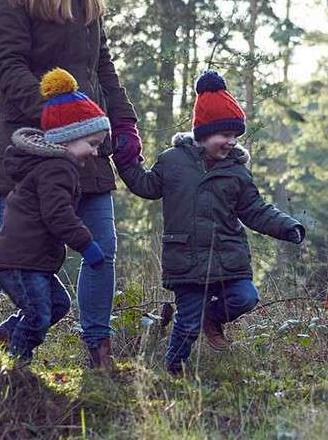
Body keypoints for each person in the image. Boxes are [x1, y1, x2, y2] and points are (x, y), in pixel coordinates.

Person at [0, 0, 141, 370]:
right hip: (33, 150)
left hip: (88, 149)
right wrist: (57, 113)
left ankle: (98, 349)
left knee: (101, 246)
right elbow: (9, 66)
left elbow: (104, 67)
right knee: (14, 252)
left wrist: (123, 123)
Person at [117, 71, 304, 374]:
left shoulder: (236, 172)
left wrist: (285, 226)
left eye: (235, 135)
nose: (231, 142)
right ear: (203, 134)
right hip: (186, 261)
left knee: (246, 297)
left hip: (227, 258)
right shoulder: (172, 162)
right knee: (187, 322)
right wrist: (126, 161)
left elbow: (255, 209)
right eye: (225, 135)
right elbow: (146, 186)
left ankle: (213, 318)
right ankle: (174, 370)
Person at [0, 69, 109, 364]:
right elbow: (58, 215)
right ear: (68, 138)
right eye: (92, 144)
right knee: (40, 314)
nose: (95, 152)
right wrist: (86, 245)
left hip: (32, 261)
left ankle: (8, 334)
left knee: (58, 305)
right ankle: (17, 365)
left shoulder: (55, 166)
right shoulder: (56, 169)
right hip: (20, 261)